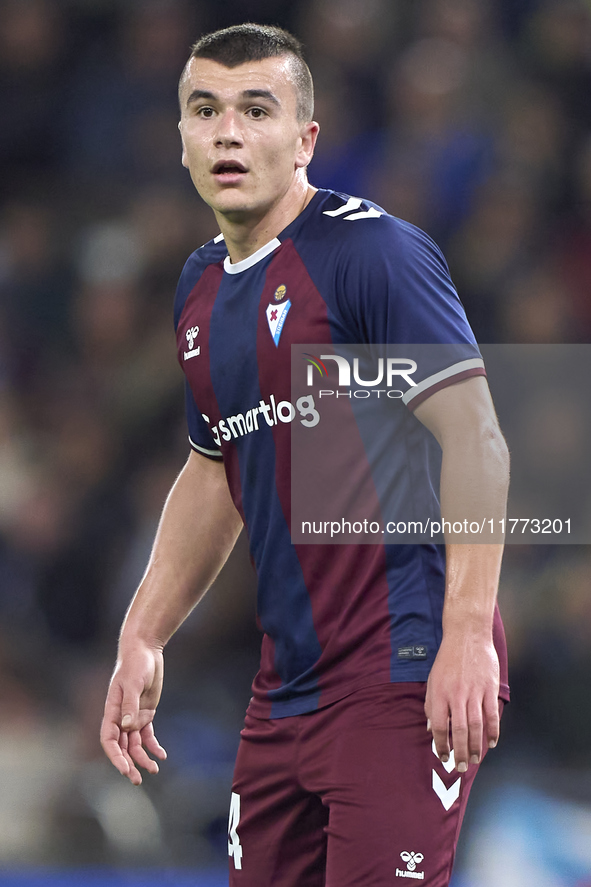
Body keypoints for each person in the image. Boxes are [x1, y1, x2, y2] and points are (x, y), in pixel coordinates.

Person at [100, 23, 510, 887]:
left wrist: (468, 630)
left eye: (257, 109)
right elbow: (215, 467)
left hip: (403, 665)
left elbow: (472, 431)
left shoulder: (370, 254)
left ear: (305, 138)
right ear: (180, 139)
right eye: (205, 110)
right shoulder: (200, 288)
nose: (228, 132)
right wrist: (144, 633)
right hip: (286, 687)